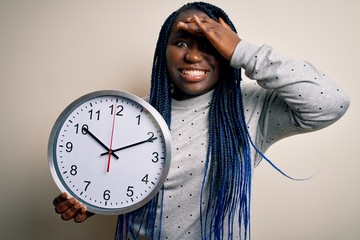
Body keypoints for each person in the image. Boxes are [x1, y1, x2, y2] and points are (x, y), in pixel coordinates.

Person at [53, 2, 350, 239]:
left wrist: (243, 50)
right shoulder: (134, 115)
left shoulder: (249, 109)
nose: (193, 57)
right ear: (163, 52)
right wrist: (98, 198)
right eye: (181, 43)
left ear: (225, 52)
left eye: (208, 44)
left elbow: (331, 102)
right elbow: (124, 179)